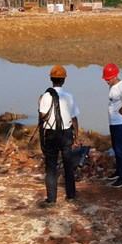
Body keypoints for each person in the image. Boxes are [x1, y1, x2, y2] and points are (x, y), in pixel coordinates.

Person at [38, 65, 80, 207]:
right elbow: (74, 118)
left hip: (50, 134)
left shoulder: (45, 96)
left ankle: (51, 199)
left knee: (51, 166)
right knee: (68, 164)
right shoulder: (69, 97)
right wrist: (77, 135)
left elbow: (43, 116)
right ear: (63, 80)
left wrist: (39, 105)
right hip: (66, 133)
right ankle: (71, 195)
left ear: (51, 79)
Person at [102, 63, 122, 188]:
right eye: (106, 79)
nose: (107, 81)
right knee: (116, 148)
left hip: (120, 123)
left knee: (121, 150)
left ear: (115, 76)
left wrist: (121, 110)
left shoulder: (121, 86)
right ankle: (119, 171)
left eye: (108, 79)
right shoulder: (113, 85)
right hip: (113, 122)